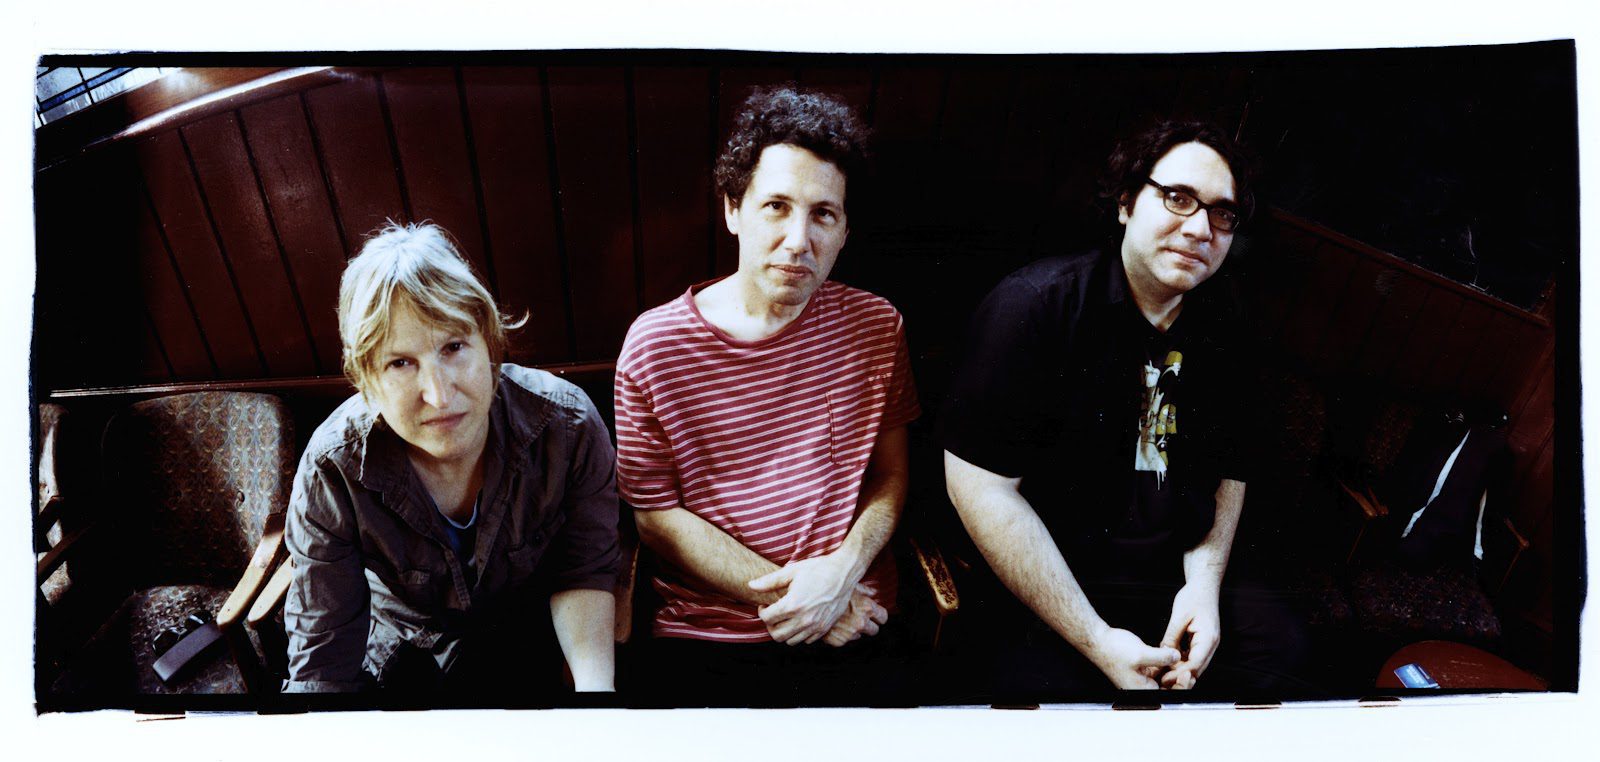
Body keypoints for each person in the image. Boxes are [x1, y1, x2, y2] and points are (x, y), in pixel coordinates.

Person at [941, 120, 1308, 700]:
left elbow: (1230, 468)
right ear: (1125, 203)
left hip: (1170, 569)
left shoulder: (1229, 324)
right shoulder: (1034, 307)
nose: (1200, 228)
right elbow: (980, 488)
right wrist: (1095, 639)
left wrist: (1202, 589)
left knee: (1282, 654)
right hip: (1052, 578)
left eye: (1222, 213)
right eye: (1178, 197)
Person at [613, 87, 919, 706]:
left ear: (845, 230)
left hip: (861, 612)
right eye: (776, 206)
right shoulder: (654, 346)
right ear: (733, 209)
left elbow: (890, 477)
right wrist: (805, 602)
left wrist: (840, 575)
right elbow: (655, 520)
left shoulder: (876, 326)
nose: (798, 239)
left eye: (823, 214)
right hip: (711, 632)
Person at [282, 222, 620, 704]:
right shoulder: (332, 468)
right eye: (400, 363)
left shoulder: (567, 425)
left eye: (454, 347)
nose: (439, 396)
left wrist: (596, 702)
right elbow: (323, 656)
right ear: (366, 378)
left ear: (490, 344)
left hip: (533, 646)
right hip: (402, 654)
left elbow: (583, 571)